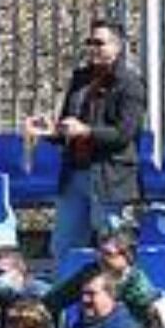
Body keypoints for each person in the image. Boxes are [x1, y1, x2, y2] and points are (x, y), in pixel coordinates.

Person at [29, 19, 145, 258]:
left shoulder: (130, 84)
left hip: (109, 178)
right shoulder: (80, 80)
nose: (94, 48)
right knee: (64, 249)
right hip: (74, 174)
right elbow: (69, 126)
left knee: (114, 249)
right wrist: (52, 131)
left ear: (117, 46)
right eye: (90, 42)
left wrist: (86, 131)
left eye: (100, 43)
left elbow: (125, 134)